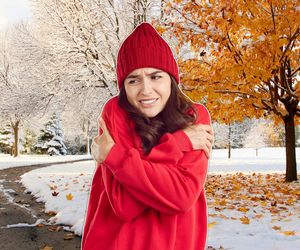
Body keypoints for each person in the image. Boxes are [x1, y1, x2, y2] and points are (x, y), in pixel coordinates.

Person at [81, 22, 214, 250]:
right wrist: (178, 144)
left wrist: (118, 159)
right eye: (133, 80)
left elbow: (181, 197)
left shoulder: (195, 117)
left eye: (155, 77)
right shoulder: (115, 112)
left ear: (171, 79)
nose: (145, 90)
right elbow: (124, 205)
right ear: (124, 86)